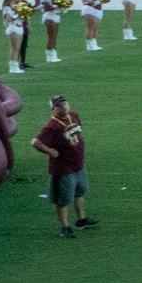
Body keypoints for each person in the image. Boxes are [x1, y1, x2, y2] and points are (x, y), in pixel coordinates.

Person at [33, 95, 94, 239]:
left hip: (78, 164)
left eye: (65, 103)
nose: (64, 106)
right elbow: (36, 142)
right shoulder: (51, 126)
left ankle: (81, 219)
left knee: (80, 192)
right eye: (60, 105)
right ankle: (65, 227)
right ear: (53, 109)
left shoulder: (74, 116)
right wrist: (50, 151)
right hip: (63, 168)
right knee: (63, 199)